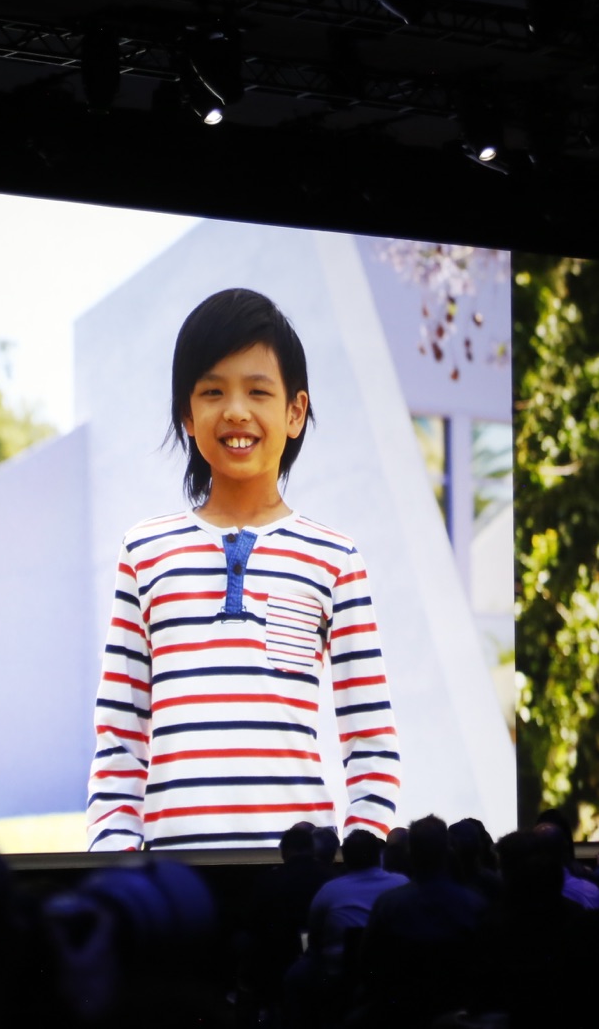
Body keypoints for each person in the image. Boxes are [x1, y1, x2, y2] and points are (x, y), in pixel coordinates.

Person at [87, 289, 400, 851]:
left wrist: (357, 863)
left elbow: (371, 744)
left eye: (258, 391)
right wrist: (118, 864)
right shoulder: (144, 552)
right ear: (187, 413)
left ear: (295, 412)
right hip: (172, 878)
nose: (235, 410)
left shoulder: (335, 559)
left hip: (298, 875)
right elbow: (119, 740)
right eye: (213, 391)